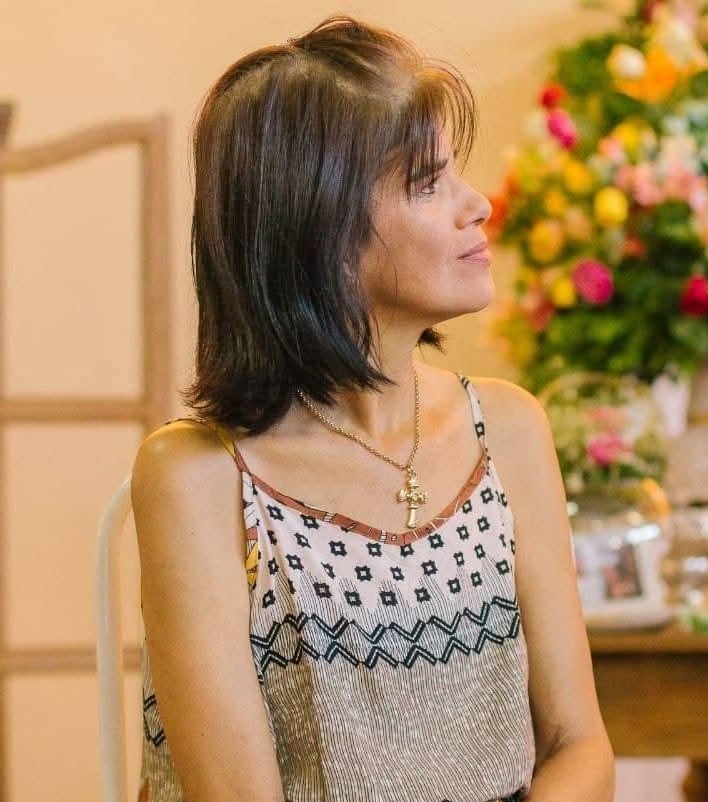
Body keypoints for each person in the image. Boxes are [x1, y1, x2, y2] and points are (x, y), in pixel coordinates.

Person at [131, 15, 614, 802]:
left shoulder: (509, 427)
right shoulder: (196, 474)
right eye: (426, 183)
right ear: (317, 227)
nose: (477, 205)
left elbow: (579, 746)